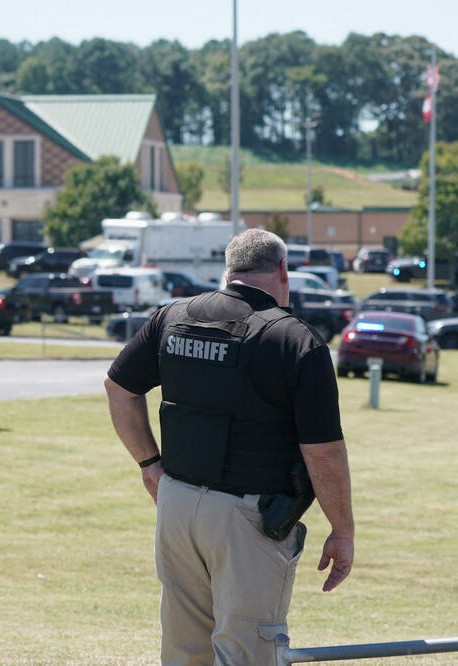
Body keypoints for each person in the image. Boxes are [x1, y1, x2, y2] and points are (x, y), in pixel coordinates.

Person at [104, 228, 354, 665]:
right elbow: (323, 452)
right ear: (283, 271)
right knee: (246, 654)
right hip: (247, 520)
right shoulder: (295, 340)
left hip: (176, 505)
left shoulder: (173, 316)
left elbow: (119, 388)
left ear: (229, 270)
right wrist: (343, 530)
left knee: (185, 654)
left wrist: (150, 465)